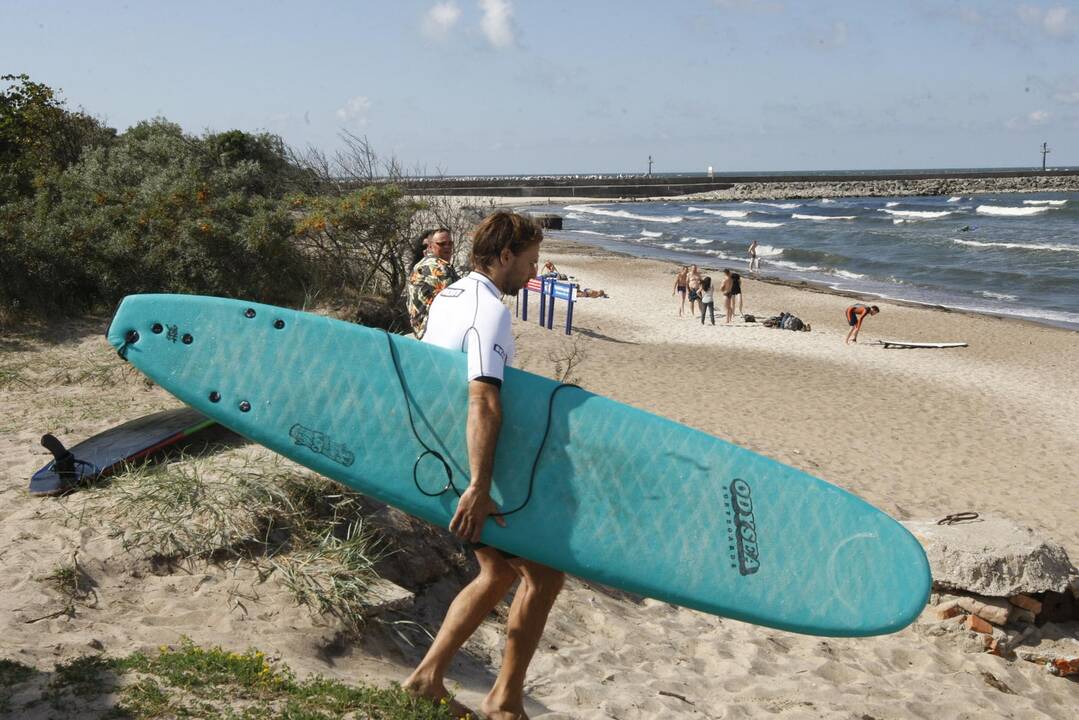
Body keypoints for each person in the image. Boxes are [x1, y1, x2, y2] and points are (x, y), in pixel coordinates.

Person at [405, 212, 564, 720]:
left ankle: (430, 679)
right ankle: (504, 702)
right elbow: (482, 400)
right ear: (503, 257)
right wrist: (479, 484)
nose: (532, 273)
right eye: (530, 262)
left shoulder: (448, 295)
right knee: (543, 575)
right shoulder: (487, 310)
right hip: (466, 466)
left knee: (497, 571)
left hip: (440, 454)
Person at [407, 228, 461, 339]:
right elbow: (459, 299)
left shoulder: (424, 263)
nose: (447, 247)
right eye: (441, 244)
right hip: (432, 331)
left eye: (450, 243)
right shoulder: (437, 267)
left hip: (420, 328)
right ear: (430, 246)